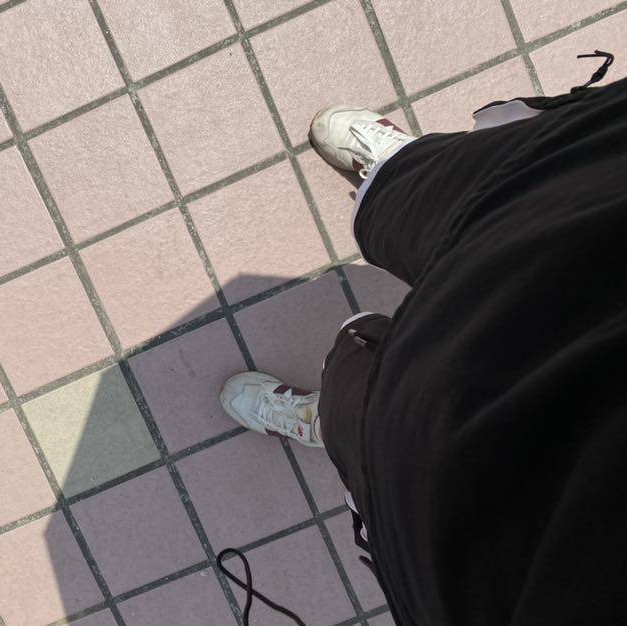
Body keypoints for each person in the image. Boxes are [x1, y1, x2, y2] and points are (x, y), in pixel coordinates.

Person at [219, 53, 627, 626]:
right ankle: (394, 171)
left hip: (478, 533)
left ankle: (333, 417)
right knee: (492, 198)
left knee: (369, 404)